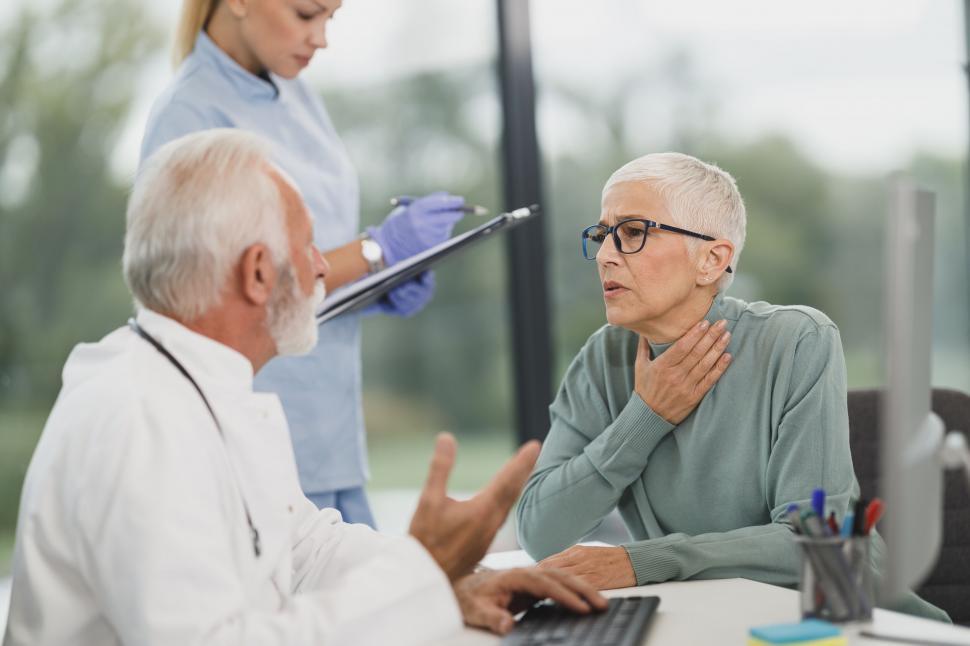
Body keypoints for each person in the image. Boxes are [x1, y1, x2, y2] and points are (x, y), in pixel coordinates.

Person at [2, 130, 607, 646]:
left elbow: (301, 548)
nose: (323, 267)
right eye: (308, 244)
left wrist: (452, 582)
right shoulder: (137, 420)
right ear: (259, 272)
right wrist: (421, 574)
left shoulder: (200, 386)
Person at [514, 152, 949, 622]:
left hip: (858, 624)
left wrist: (644, 562)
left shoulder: (798, 340)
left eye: (633, 232)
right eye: (602, 235)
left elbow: (818, 544)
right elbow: (540, 532)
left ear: (712, 259)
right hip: (709, 623)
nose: (603, 255)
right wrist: (646, 415)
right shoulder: (604, 359)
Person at [139, 0, 467, 526]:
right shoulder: (190, 114)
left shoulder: (296, 92)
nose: (321, 38)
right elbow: (219, 288)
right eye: (307, 13)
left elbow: (303, 256)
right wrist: (375, 250)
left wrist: (375, 284)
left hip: (329, 431)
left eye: (331, 17)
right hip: (257, 428)